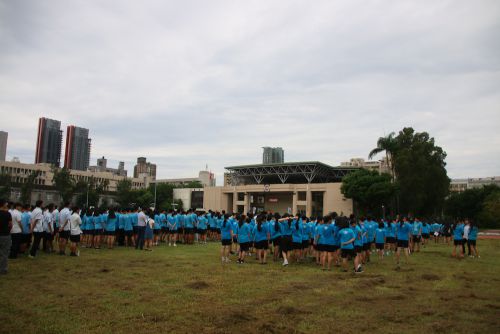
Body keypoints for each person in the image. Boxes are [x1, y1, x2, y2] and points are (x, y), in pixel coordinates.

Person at [0, 198, 12, 274]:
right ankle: (3, 269)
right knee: (4, 253)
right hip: (5, 235)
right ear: (4, 204)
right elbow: (10, 225)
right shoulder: (7, 214)